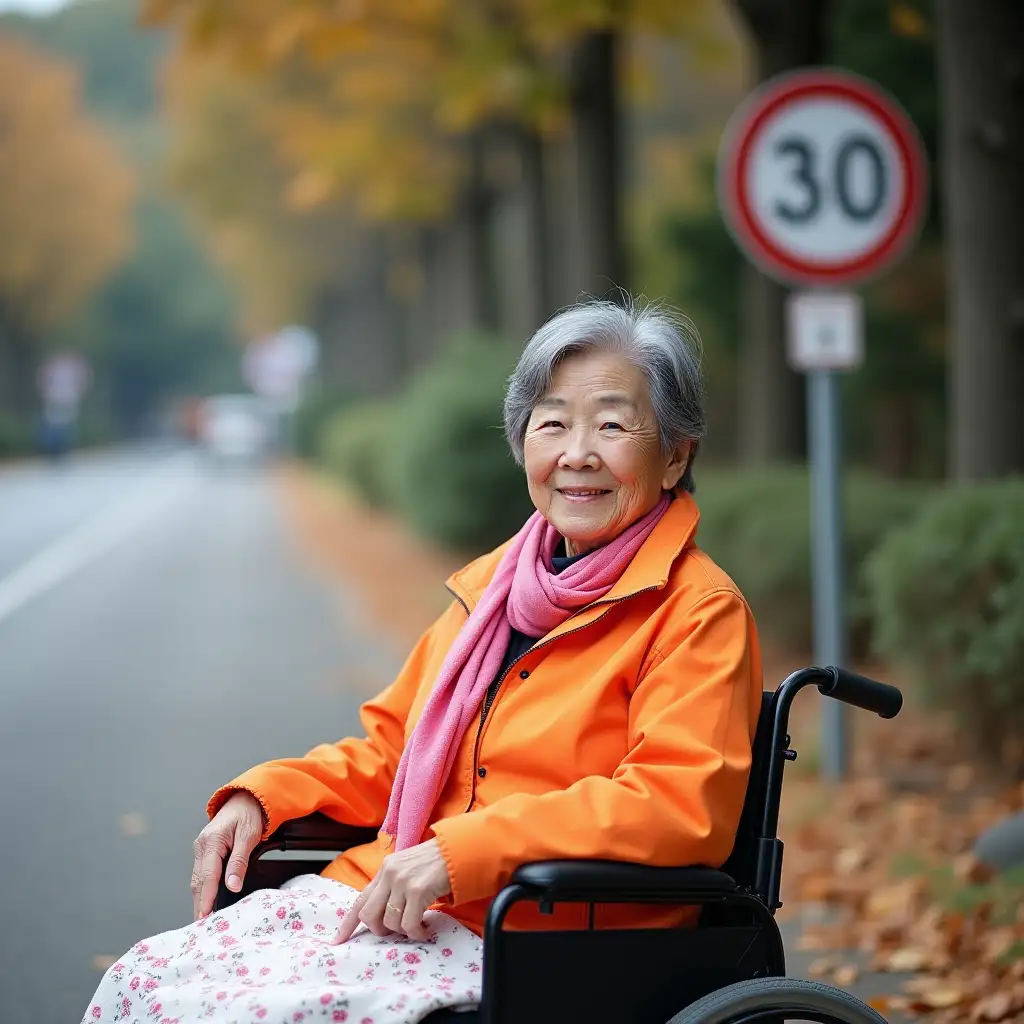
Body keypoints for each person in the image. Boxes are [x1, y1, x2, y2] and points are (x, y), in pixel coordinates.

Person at [83, 298, 763, 1024]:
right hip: (400, 904)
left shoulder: (697, 612)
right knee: (149, 982)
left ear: (677, 456)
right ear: (523, 442)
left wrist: (460, 852)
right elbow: (390, 752)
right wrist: (265, 795)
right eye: (554, 421)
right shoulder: (496, 589)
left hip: (546, 937)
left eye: (612, 423)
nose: (577, 452)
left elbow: (672, 807)